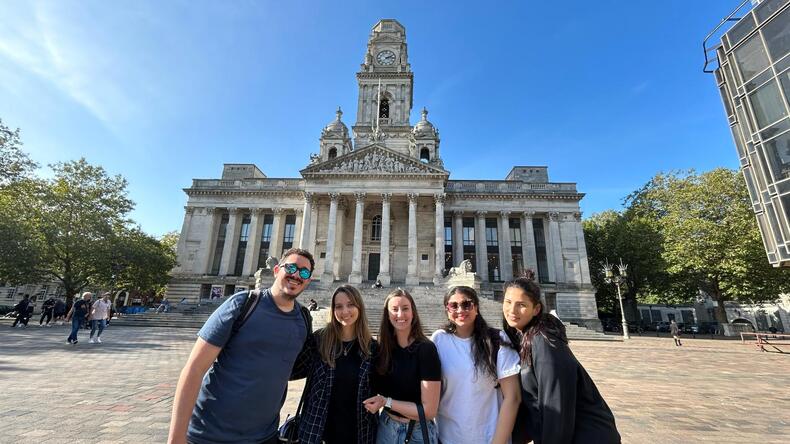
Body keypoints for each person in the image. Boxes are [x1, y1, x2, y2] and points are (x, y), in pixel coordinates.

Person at [168, 248, 315, 444]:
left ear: (309, 280)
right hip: (210, 435)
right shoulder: (242, 304)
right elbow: (194, 369)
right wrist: (176, 437)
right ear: (276, 270)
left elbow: (294, 368)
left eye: (304, 272)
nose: (297, 275)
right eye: (291, 268)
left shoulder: (303, 319)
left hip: (265, 436)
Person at [502, 277, 620, 444]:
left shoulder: (543, 340)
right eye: (508, 302)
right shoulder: (525, 337)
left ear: (536, 309)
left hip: (587, 435)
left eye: (521, 305)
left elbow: (556, 405)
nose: (511, 310)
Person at [430, 286, 521, 444]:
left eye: (467, 304)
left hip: (489, 437)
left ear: (476, 308)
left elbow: (513, 397)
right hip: (446, 438)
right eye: (453, 305)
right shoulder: (439, 339)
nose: (460, 310)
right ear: (447, 309)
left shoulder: (497, 340)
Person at [291, 285, 378, 444]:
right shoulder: (319, 340)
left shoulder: (372, 347)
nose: (345, 311)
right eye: (339, 306)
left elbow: (386, 384)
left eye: (351, 304)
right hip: (316, 432)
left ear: (359, 306)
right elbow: (291, 371)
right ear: (333, 310)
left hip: (360, 433)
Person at [363, 288, 441, 444]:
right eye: (394, 309)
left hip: (417, 432)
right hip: (386, 428)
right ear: (387, 314)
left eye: (405, 308)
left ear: (413, 312)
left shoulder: (426, 349)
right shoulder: (381, 349)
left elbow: (429, 410)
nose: (400, 314)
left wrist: (387, 402)